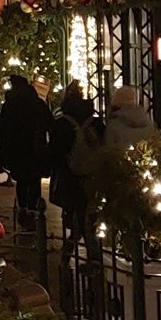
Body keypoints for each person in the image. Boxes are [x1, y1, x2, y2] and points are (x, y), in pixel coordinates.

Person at [0, 75, 50, 227]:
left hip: (16, 149)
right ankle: (33, 209)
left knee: (22, 180)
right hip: (34, 147)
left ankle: (24, 208)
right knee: (34, 179)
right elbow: (49, 122)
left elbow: (2, 130)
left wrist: (0, 153)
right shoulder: (36, 102)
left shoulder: (11, 104)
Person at [48, 82, 103, 234]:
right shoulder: (95, 122)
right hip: (92, 172)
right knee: (88, 206)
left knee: (72, 207)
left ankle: (72, 242)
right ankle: (90, 245)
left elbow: (55, 152)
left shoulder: (63, 123)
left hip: (68, 173)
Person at [102, 85, 155, 161]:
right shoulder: (147, 122)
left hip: (123, 167)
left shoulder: (114, 125)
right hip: (146, 166)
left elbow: (109, 151)